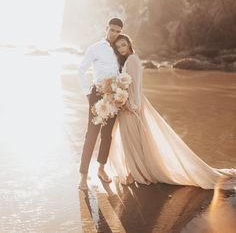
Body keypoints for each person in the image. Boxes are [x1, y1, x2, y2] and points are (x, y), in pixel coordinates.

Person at [109, 34, 236, 189]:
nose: (121, 48)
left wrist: (130, 104)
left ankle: (138, 173)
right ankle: (135, 171)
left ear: (129, 43)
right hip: (127, 105)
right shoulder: (129, 60)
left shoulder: (132, 60)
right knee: (131, 141)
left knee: (135, 141)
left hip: (131, 107)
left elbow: (136, 86)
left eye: (123, 44)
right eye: (118, 47)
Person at [78, 18, 123, 190]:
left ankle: (101, 169)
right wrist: (88, 93)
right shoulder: (95, 48)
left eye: (118, 31)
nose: (114, 34)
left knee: (107, 135)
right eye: (112, 30)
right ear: (106, 29)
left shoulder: (120, 49)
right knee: (91, 136)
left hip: (114, 96)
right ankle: (83, 176)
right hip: (97, 95)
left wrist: (121, 93)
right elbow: (81, 70)